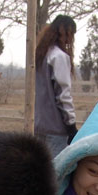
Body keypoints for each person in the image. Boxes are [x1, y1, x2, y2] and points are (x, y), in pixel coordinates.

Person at [34, 15, 77, 156]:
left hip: (40, 124)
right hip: (56, 127)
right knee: (56, 172)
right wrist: (71, 125)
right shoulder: (59, 57)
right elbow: (63, 94)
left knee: (41, 171)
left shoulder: (42, 54)